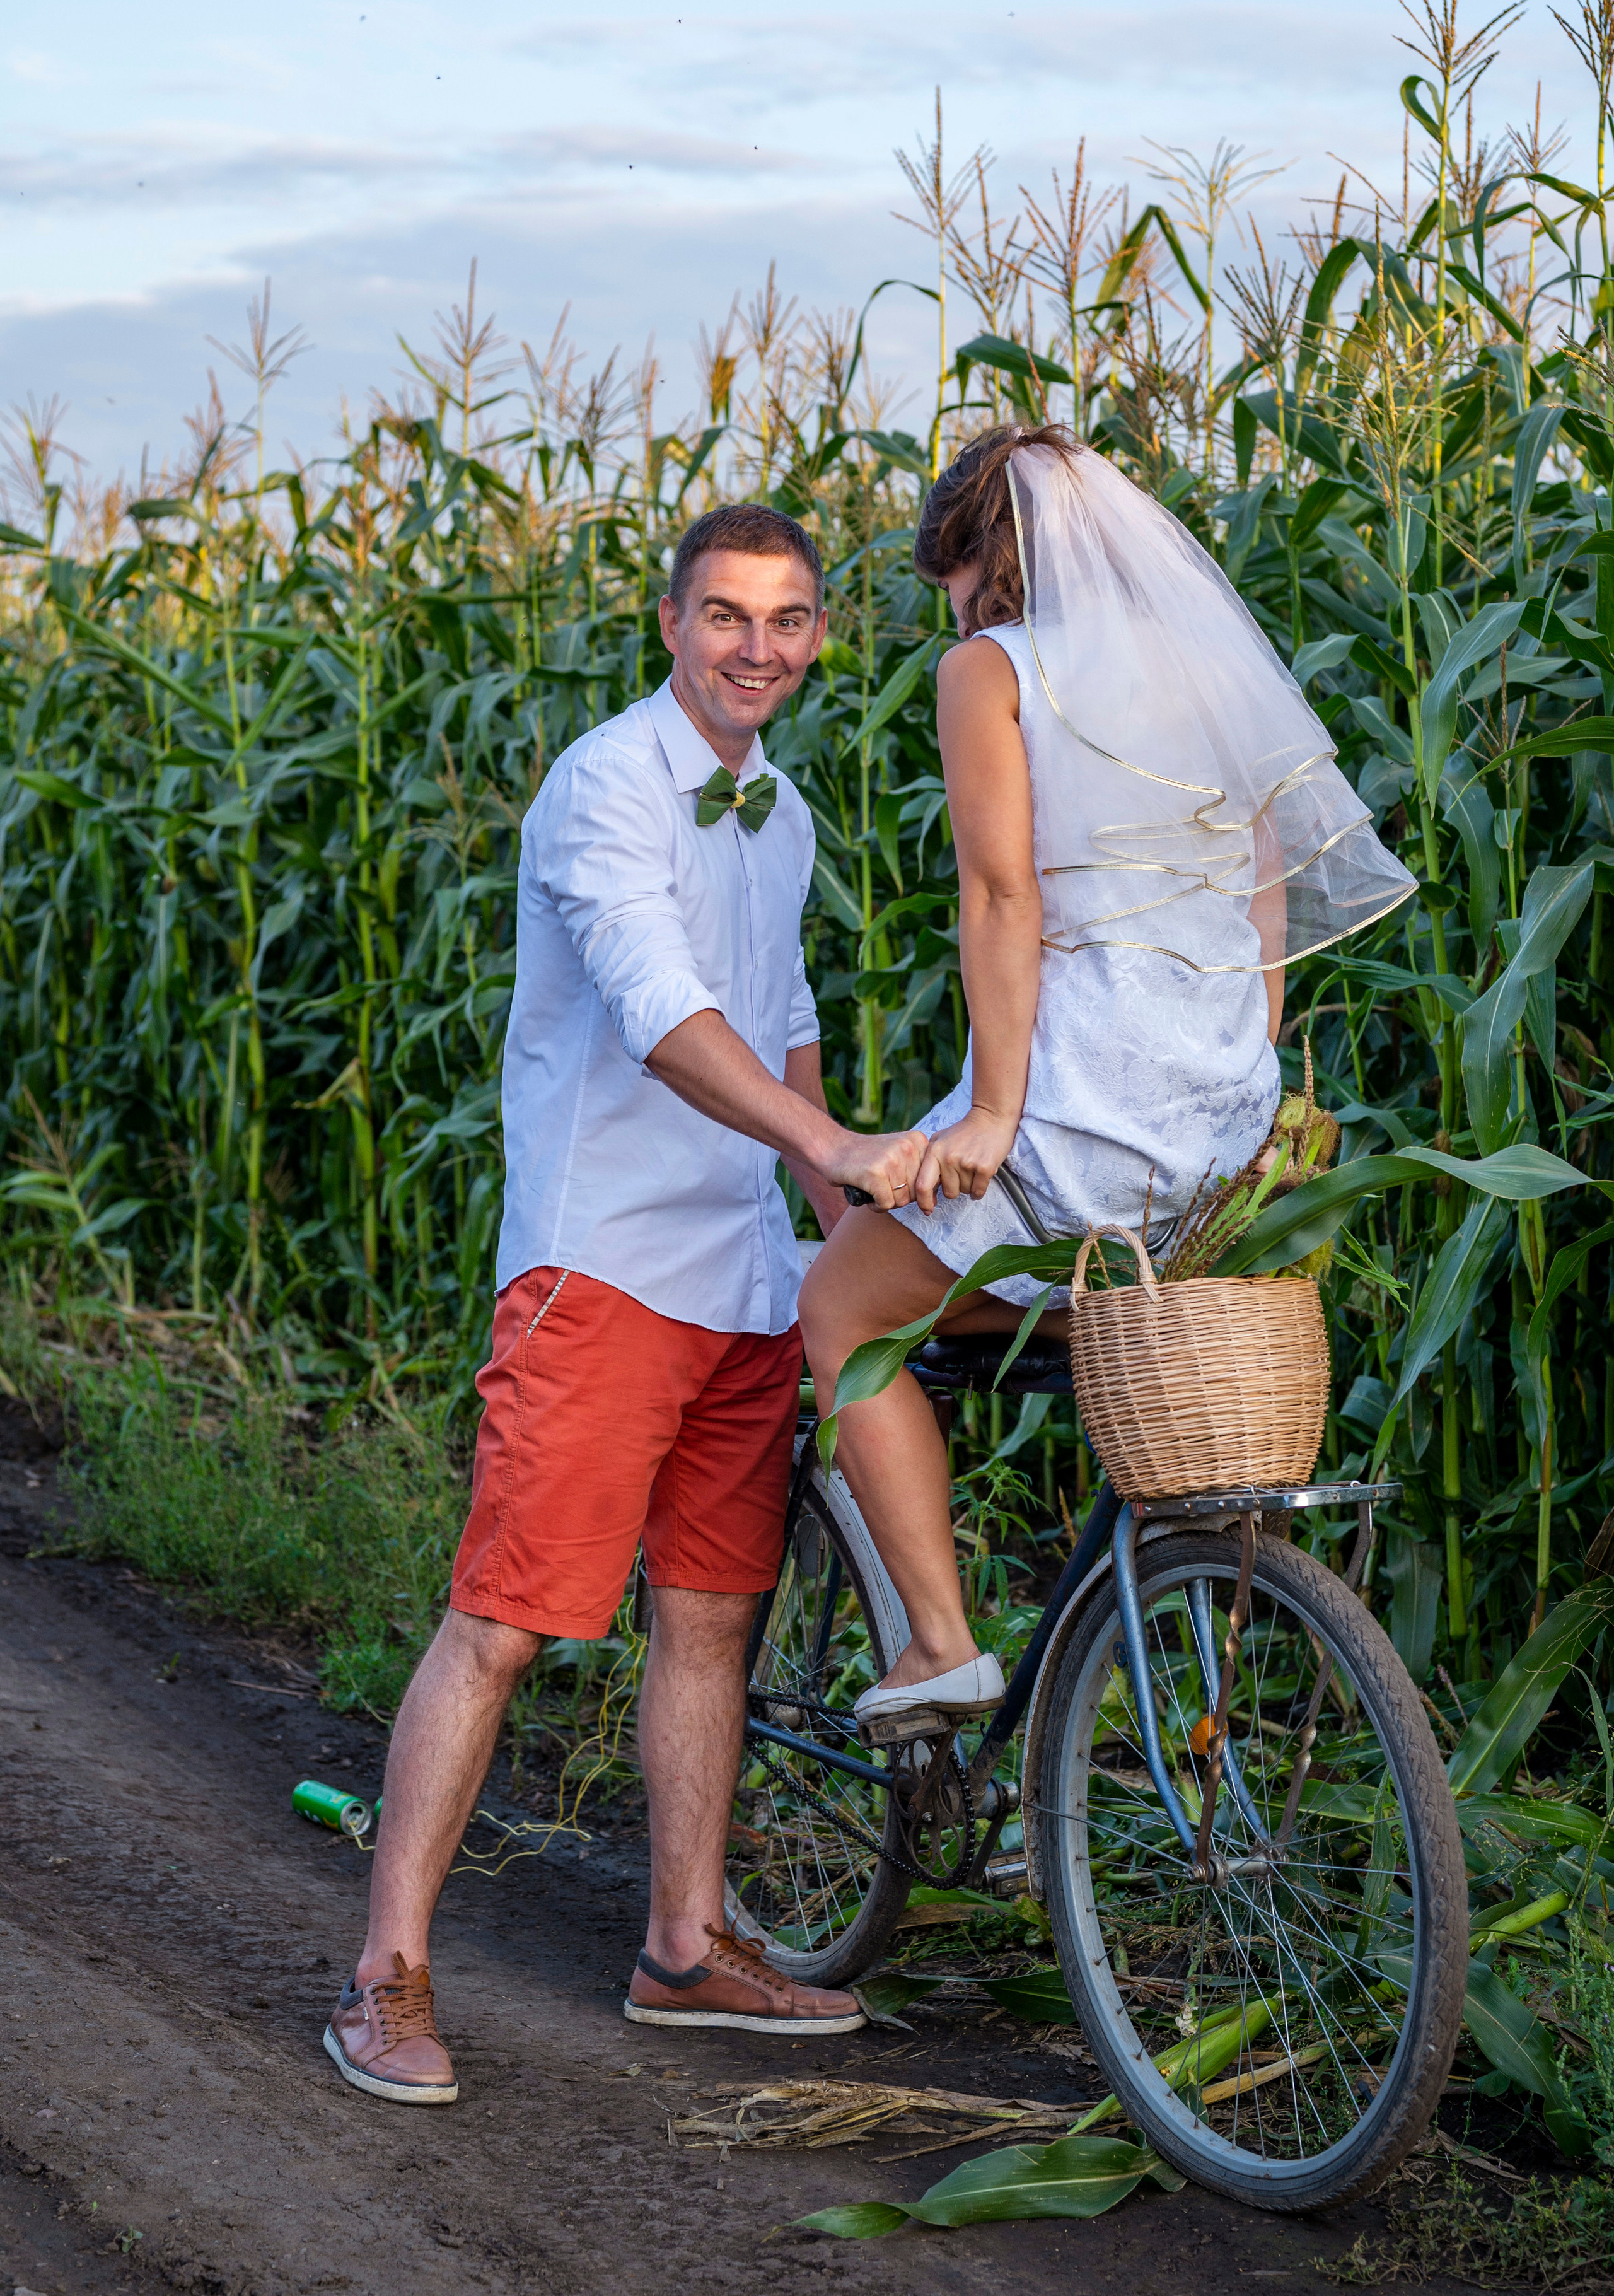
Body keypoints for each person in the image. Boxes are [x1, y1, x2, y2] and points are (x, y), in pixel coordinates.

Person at [325, 503, 928, 2104]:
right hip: (600, 1267)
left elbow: (780, 1009)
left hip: (743, 1276)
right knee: (507, 1619)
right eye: (725, 614)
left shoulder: (781, 811)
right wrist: (830, 1143)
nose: (756, 647)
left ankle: (683, 1944)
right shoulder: (604, 784)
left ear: (819, 635)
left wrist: (836, 1223)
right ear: (669, 623)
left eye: (787, 619)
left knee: (712, 1616)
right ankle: (383, 1975)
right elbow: (661, 1011)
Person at [798, 426, 1412, 1732]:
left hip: (1082, 1106)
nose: (952, 615)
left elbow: (1000, 896)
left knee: (841, 1302)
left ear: (984, 560)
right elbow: (1266, 891)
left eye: (952, 585)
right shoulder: (1205, 668)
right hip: (1223, 1115)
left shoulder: (990, 669)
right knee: (1083, 1297)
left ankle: (939, 1646)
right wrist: (1235, 1071)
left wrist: (992, 1113)